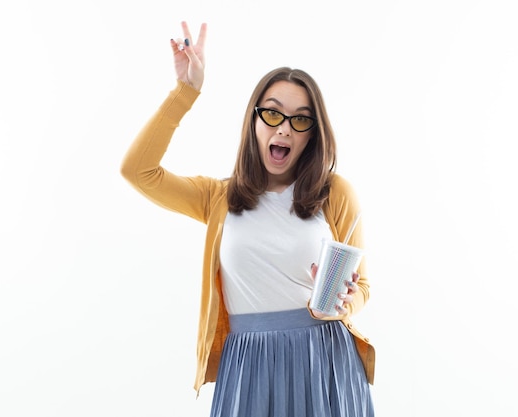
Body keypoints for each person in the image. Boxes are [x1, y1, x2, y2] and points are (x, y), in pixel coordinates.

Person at [121, 20, 375, 417]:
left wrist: (343, 305)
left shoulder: (334, 192)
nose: (285, 129)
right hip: (247, 364)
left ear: (313, 133)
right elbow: (138, 171)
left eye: (301, 119)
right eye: (273, 114)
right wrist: (185, 92)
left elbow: (363, 287)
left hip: (324, 358)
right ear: (254, 121)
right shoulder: (218, 197)